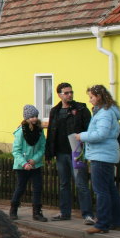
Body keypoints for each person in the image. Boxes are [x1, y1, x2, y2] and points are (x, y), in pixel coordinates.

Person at [76, 85, 120, 234]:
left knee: (101, 190)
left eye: (91, 97)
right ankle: (116, 221)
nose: (90, 100)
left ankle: (102, 224)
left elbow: (101, 134)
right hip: (105, 154)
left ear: (99, 97)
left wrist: (82, 136)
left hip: (101, 155)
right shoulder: (107, 111)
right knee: (110, 189)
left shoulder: (104, 113)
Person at [45, 82, 94, 224]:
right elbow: (51, 132)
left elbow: (89, 130)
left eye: (71, 92)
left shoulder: (81, 109)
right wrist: (49, 153)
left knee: (81, 184)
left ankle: (88, 215)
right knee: (64, 184)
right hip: (61, 153)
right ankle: (65, 212)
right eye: (66, 93)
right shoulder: (55, 111)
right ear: (59, 95)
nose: (69, 95)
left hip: (77, 152)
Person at [10, 105, 48, 221]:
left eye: (36, 116)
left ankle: (37, 212)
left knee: (37, 188)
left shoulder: (39, 131)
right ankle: (13, 209)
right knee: (21, 187)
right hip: (22, 166)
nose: (34, 119)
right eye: (32, 117)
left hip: (35, 165)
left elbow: (42, 147)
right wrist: (24, 163)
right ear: (27, 118)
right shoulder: (21, 132)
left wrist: (34, 159)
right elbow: (16, 151)